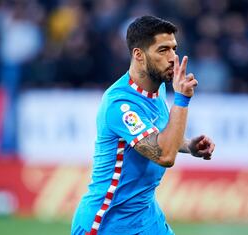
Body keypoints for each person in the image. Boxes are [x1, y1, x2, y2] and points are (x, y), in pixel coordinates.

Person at [71, 15, 215, 235]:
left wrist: (187, 145)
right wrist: (182, 99)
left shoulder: (158, 88)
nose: (172, 58)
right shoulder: (120, 105)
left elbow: (157, 137)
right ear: (138, 55)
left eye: (174, 49)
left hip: (146, 215)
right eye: (162, 50)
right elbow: (164, 155)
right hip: (109, 222)